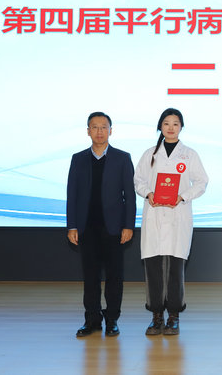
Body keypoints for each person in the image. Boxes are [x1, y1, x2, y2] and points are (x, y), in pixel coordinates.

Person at [134, 108, 208, 336]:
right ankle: (156, 316)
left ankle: (174, 316)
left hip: (178, 215)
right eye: (166, 123)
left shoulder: (189, 155)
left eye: (175, 123)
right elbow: (138, 180)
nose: (171, 128)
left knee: (176, 269)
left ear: (181, 127)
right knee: (154, 268)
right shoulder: (149, 154)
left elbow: (202, 182)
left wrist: (182, 196)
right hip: (154, 215)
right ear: (160, 126)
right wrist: (148, 193)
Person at [67, 112, 136, 337]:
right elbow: (72, 195)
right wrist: (72, 226)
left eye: (103, 127)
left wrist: (128, 225)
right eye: (94, 127)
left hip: (114, 228)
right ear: (88, 131)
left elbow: (130, 196)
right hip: (86, 227)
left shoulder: (122, 158)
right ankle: (92, 319)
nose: (99, 131)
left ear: (110, 131)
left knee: (114, 276)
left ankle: (112, 319)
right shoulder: (78, 159)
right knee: (91, 277)